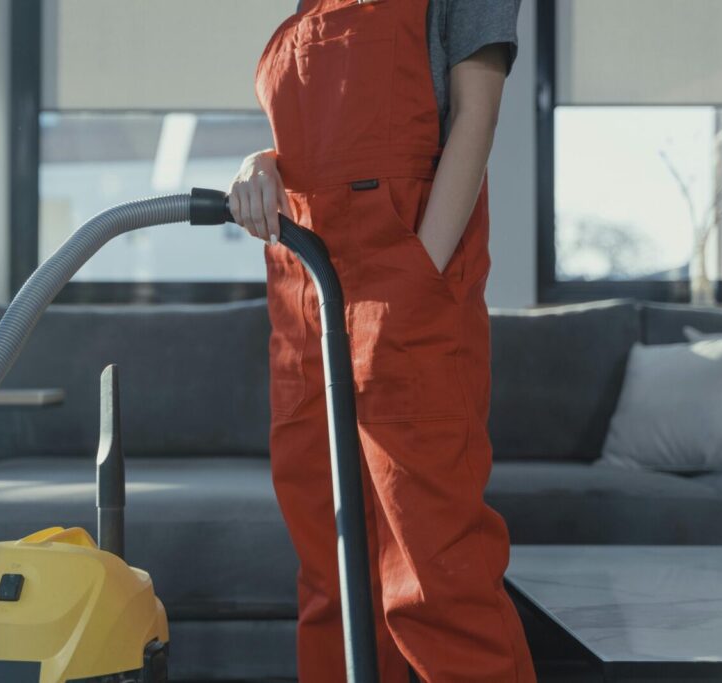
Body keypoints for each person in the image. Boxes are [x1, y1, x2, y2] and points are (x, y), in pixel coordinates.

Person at [227, 0, 536, 681]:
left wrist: (417, 279)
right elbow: (309, 149)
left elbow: (475, 119)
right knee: (331, 578)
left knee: (435, 569)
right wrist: (261, 163)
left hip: (404, 281)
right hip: (304, 296)